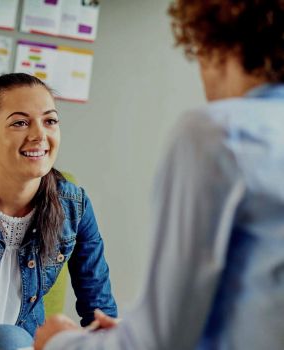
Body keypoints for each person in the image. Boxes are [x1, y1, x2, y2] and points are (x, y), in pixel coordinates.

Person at [34, 0, 284, 349]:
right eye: (19, 122)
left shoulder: (220, 134)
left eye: (50, 120)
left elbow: (158, 341)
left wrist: (58, 342)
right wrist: (124, 332)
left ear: (212, 44)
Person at [0, 73, 117, 350]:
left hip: (22, 347)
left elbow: (100, 311)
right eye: (20, 122)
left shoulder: (74, 207)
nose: (39, 135)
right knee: (12, 338)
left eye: (50, 121)